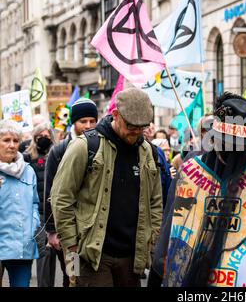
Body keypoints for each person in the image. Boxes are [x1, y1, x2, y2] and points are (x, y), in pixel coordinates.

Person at [152, 92, 246, 287]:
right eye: (232, 144)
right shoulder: (190, 172)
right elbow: (173, 226)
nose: (236, 152)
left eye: (242, 145)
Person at [50, 88, 162, 287]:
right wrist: (72, 246)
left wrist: (151, 239)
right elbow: (61, 198)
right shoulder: (83, 146)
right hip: (89, 254)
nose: (136, 131)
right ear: (116, 115)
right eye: (131, 125)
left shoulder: (148, 152)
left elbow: (155, 202)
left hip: (132, 257)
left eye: (141, 126)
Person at [44, 97, 98, 287]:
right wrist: (52, 231)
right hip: (68, 230)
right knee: (72, 276)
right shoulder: (59, 151)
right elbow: (51, 192)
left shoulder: (102, 146)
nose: (88, 126)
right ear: (74, 122)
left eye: (92, 121)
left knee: (92, 277)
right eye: (83, 121)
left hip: (93, 230)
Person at [0, 120, 40, 287]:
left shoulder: (28, 171)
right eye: (6, 140)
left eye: (15, 141)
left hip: (22, 246)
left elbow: (34, 203)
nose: (11, 145)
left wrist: (34, 224)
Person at [22, 122, 57, 287]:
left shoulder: (57, 155)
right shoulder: (27, 158)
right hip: (40, 214)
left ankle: (73, 281)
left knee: (72, 258)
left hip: (59, 214)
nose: (44, 139)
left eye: (47, 136)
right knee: (45, 253)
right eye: (40, 136)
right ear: (35, 138)